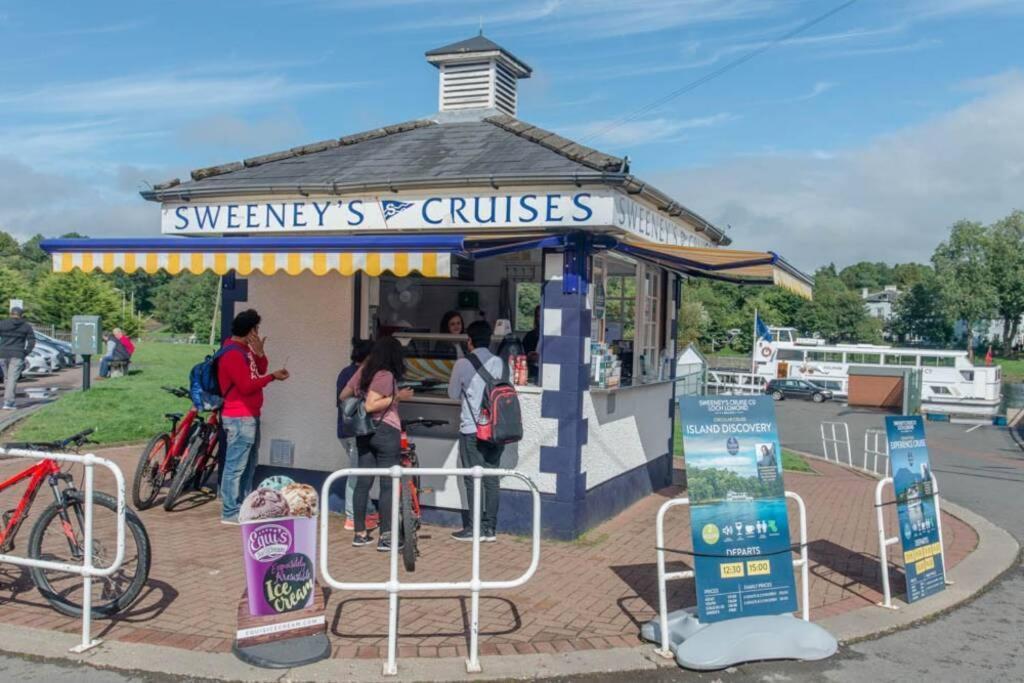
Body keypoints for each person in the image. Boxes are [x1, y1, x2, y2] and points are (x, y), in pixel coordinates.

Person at [217, 309, 289, 524]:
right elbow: (247, 386)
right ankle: (229, 511)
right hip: (239, 417)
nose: (258, 333)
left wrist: (260, 353)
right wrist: (272, 377)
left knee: (249, 463)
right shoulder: (231, 353)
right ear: (250, 330)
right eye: (257, 329)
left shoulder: (244, 350)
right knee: (235, 465)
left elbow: (258, 370)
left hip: (250, 415)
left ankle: (243, 505)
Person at [344, 336, 414, 551]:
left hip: (364, 432)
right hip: (385, 431)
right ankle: (386, 537)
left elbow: (343, 394)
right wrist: (397, 397)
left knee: (363, 483)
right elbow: (371, 404)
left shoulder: (364, 371)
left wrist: (360, 391)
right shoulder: (385, 375)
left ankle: (360, 533)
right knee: (387, 484)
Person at [448, 320, 505, 542]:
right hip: (494, 428)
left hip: (471, 428)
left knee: (472, 478)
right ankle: (490, 528)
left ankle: (473, 528)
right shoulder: (498, 362)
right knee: (491, 478)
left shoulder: (462, 364)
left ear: (469, 341)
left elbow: (453, 394)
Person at [336, 340, 378, 532]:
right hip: (356, 431)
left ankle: (368, 511)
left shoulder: (345, 372)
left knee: (360, 471)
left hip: (345, 431)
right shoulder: (360, 374)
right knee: (356, 474)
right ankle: (352, 517)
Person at [0, 307, 35, 410]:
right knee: (12, 379)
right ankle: (8, 402)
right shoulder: (26, 326)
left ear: (11, 314)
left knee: (7, 378)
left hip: (2, 354)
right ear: (21, 315)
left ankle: (8, 400)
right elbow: (32, 340)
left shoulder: (2, 324)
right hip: (17, 354)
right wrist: (26, 352)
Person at [522, 306, 541, 382]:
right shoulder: (530, 336)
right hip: (532, 372)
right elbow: (522, 355)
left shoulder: (556, 337)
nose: (541, 319)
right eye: (538, 316)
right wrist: (530, 357)